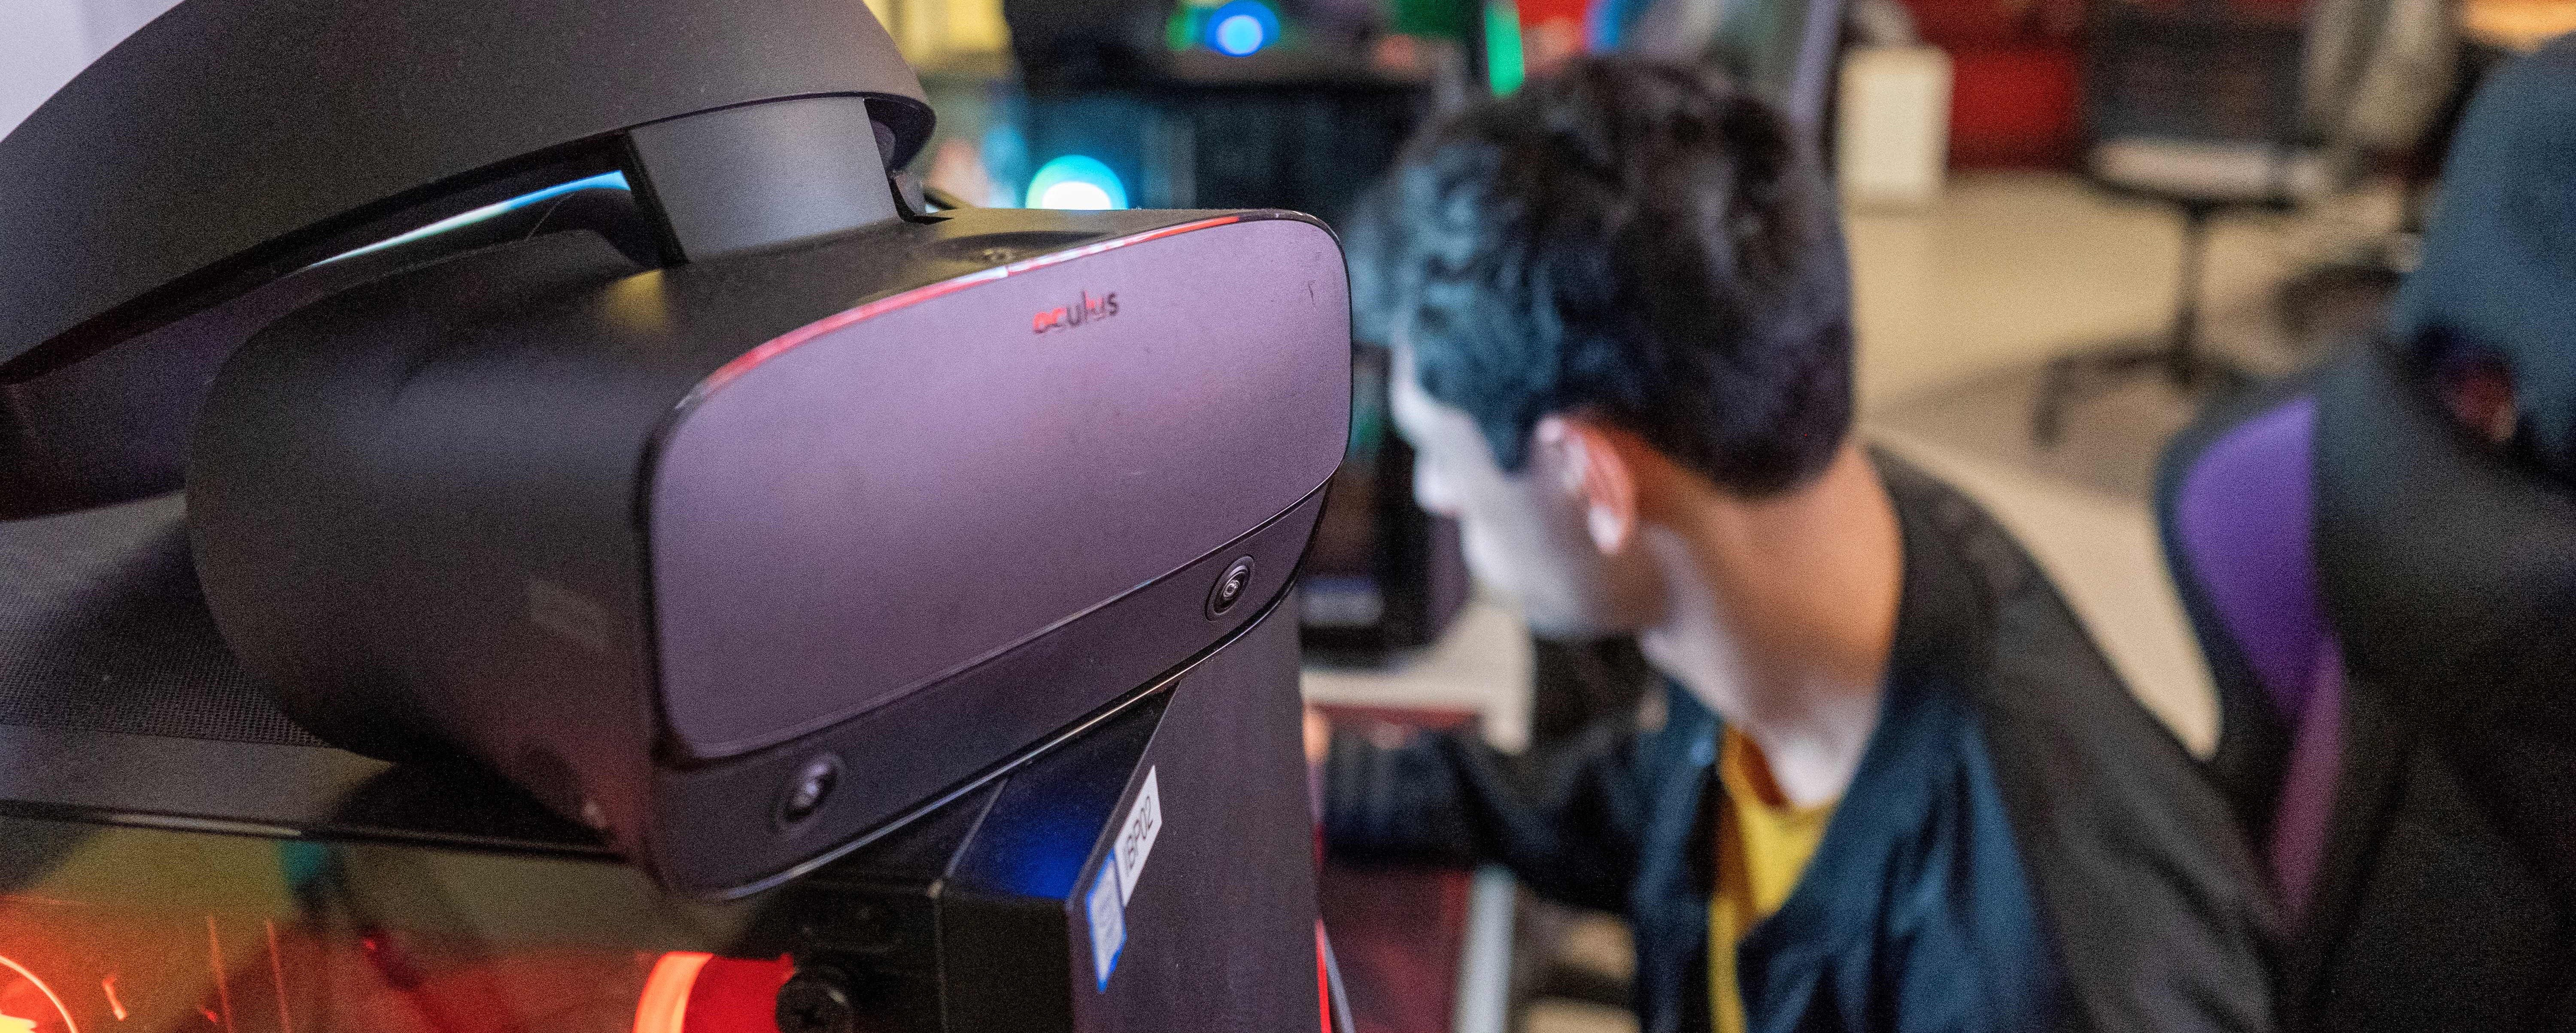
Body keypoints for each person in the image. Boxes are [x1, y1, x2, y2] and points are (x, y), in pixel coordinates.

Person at [1313, 58, 2276, 1033]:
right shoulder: (1791, 557)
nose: (1434, 493)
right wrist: (1341, 780)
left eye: (1440, 458)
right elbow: (1653, 804)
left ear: (1588, 480)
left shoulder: (2042, 964)